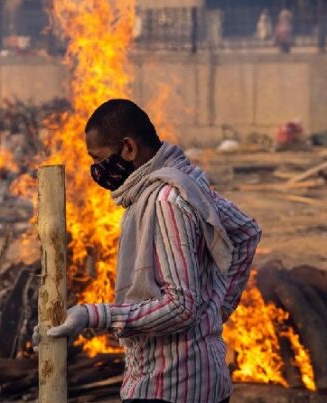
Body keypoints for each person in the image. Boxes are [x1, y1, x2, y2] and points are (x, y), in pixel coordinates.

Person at [37, 99, 261, 403]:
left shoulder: (165, 201)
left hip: (169, 386)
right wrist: (217, 308)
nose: (97, 171)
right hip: (196, 381)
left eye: (99, 158)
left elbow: (181, 306)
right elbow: (246, 231)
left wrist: (94, 315)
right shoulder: (184, 180)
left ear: (128, 148)